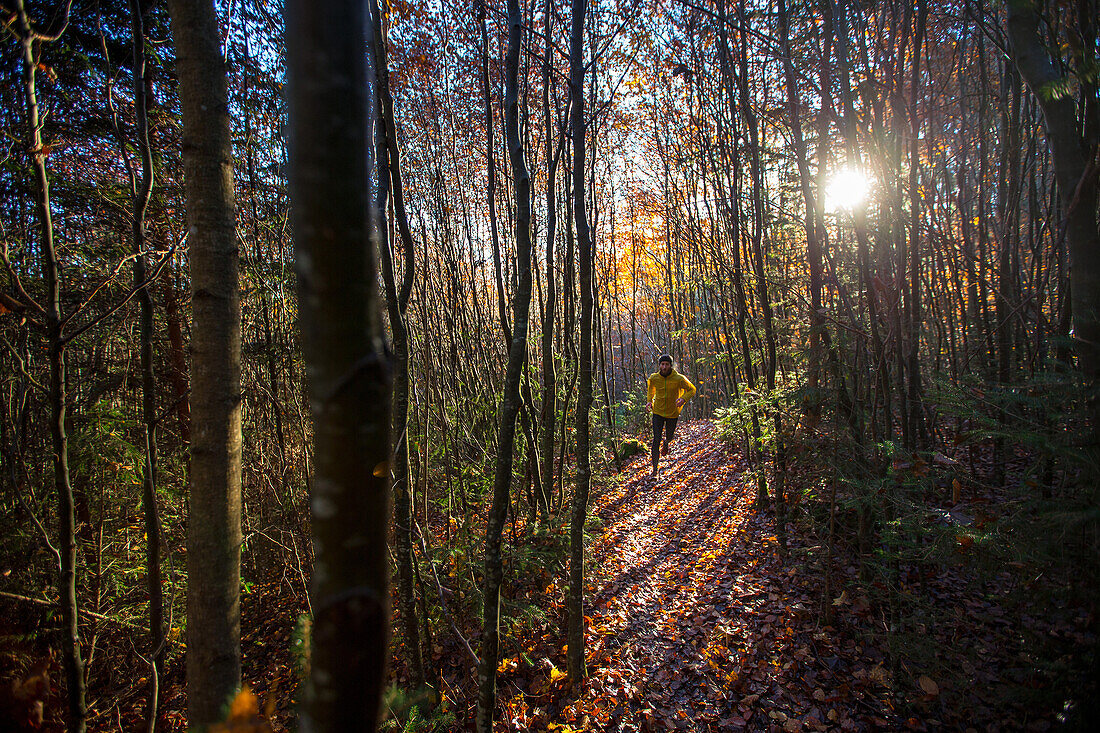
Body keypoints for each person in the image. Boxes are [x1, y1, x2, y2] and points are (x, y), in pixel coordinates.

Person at [646, 353, 696, 477]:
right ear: (659, 365)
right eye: (662, 364)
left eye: (666, 364)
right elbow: (651, 390)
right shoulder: (654, 378)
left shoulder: (679, 378)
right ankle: (655, 469)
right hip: (657, 412)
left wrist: (683, 399)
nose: (664, 367)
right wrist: (649, 401)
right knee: (655, 440)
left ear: (670, 365)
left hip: (673, 413)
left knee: (670, 436)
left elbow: (692, 389)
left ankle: (667, 442)